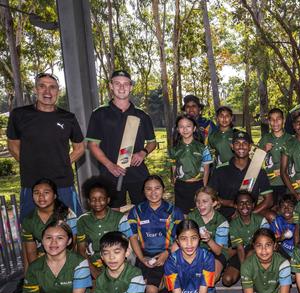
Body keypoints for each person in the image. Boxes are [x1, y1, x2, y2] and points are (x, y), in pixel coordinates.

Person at [7, 72, 84, 217]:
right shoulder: (19, 115)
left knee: (72, 226)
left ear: (58, 91)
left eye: (52, 87)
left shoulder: (68, 118)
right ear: (36, 89)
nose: (47, 91)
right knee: (31, 229)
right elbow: (12, 144)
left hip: (63, 183)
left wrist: (63, 163)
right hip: (31, 183)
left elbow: (79, 147)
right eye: (42, 86)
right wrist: (28, 163)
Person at [86, 70, 157, 208]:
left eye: (126, 84)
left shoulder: (142, 115)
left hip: (137, 173)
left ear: (131, 87)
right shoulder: (99, 114)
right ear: (111, 86)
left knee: (143, 212)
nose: (122, 87)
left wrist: (143, 152)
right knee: (114, 214)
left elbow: (152, 143)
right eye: (117, 83)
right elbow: (93, 145)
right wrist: (109, 165)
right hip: (110, 174)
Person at [127, 175, 184, 293]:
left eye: (157, 188)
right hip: (144, 255)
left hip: (168, 254)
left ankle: (169, 279)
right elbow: (133, 238)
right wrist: (142, 258)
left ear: (163, 189)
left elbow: (181, 239)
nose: (153, 192)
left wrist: (166, 254)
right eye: (148, 189)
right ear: (143, 191)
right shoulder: (136, 211)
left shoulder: (174, 211)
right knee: (136, 289)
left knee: (151, 291)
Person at [208, 130, 273, 219]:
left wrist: (248, 214)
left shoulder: (258, 170)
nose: (241, 146)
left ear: (250, 147)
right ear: (232, 146)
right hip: (225, 216)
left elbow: (269, 200)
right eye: (237, 143)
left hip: (250, 215)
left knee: (272, 216)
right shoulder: (220, 170)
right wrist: (230, 203)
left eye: (245, 143)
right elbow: (209, 195)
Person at [76, 177, 132, 279]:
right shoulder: (82, 221)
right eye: (93, 199)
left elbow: (128, 247)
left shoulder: (119, 218)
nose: (97, 202)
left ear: (108, 200)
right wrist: (94, 272)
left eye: (102, 198)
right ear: (88, 201)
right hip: (92, 265)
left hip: (117, 262)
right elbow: (81, 251)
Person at [223, 190, 272, 287]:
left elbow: (265, 243)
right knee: (227, 280)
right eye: (241, 203)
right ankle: (249, 275)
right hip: (241, 252)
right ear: (236, 206)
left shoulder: (261, 220)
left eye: (248, 203)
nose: (244, 206)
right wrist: (244, 270)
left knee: (251, 253)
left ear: (253, 205)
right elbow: (240, 248)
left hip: (259, 251)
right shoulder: (233, 224)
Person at [170, 115, 213, 214]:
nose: (185, 129)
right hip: (181, 186)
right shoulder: (174, 149)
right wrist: (175, 182)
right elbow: (174, 167)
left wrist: (204, 187)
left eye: (188, 126)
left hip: (198, 185)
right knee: (182, 215)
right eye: (181, 126)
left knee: (199, 213)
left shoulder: (203, 148)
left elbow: (206, 170)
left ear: (194, 128)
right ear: (177, 129)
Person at [187, 187, 230, 282]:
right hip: (196, 250)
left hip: (216, 252)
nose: (200, 205)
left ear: (214, 203)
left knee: (211, 278)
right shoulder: (192, 217)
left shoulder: (222, 222)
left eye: (205, 201)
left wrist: (209, 240)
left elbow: (218, 251)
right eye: (198, 201)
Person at [258, 108, 292, 205]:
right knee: (271, 209)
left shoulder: (290, 139)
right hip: (270, 183)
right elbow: (256, 161)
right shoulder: (265, 139)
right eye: (272, 119)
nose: (275, 122)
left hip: (287, 183)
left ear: (283, 120)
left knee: (285, 209)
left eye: (278, 119)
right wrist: (264, 150)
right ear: (269, 121)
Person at [270, 194, 298, 259]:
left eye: (290, 206)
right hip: (284, 252)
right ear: (279, 209)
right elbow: (269, 240)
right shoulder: (277, 221)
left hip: (299, 253)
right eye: (283, 206)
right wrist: (280, 238)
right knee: (274, 247)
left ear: (295, 208)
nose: (286, 209)